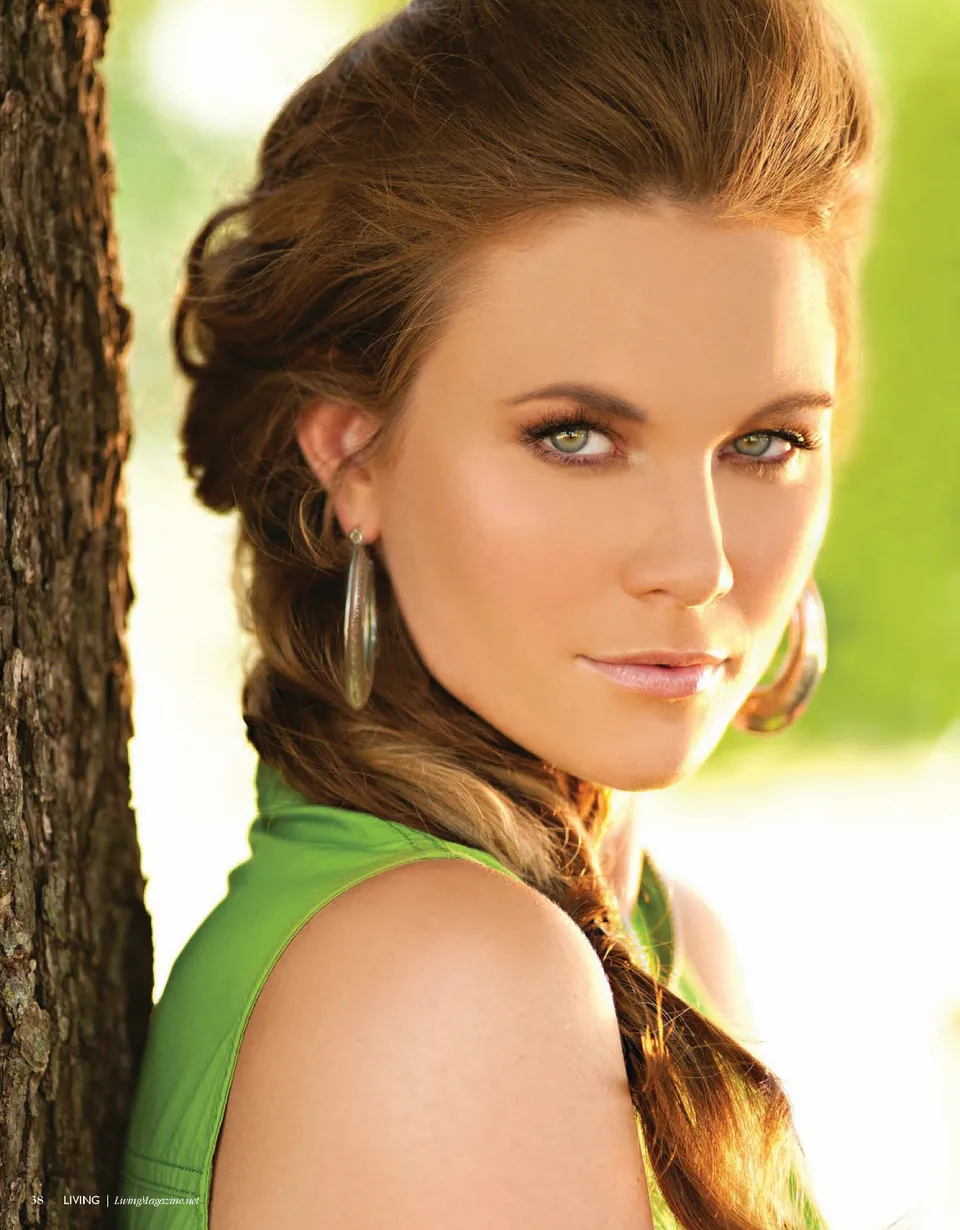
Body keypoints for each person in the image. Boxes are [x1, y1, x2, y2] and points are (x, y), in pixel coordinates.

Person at [118, 0, 884, 1226]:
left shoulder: (665, 947)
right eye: (575, 437)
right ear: (351, 455)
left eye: (766, 442)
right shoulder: (449, 983)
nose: (697, 563)